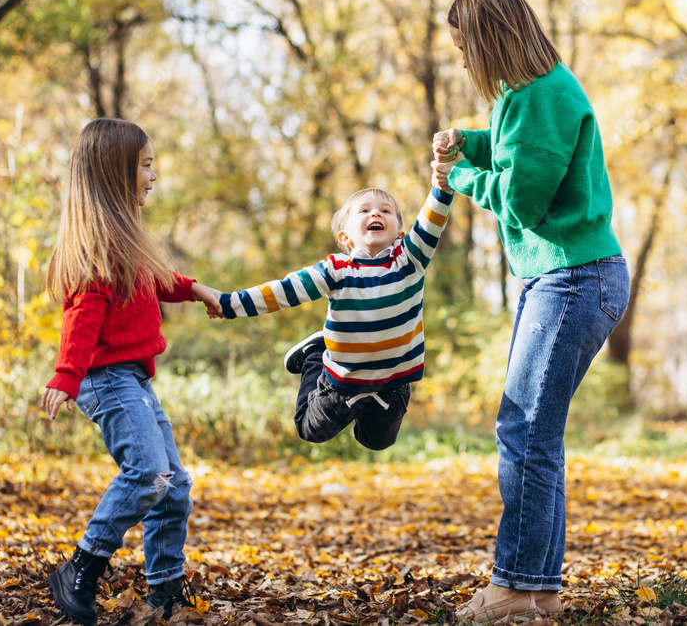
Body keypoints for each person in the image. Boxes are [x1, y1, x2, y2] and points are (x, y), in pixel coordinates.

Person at [430, 0, 630, 623]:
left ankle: (515, 583)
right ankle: (538, 587)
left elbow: (520, 199)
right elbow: (519, 156)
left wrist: (457, 176)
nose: (464, 62)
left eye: (465, 50)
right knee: (537, 434)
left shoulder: (540, 96)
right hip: (563, 278)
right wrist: (469, 139)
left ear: (489, 40)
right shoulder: (528, 96)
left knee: (521, 428)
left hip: (572, 278)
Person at [39, 118, 222, 626]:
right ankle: (82, 566)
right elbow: (81, 320)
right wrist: (65, 376)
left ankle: (164, 589)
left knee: (174, 484)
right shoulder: (95, 250)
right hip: (107, 379)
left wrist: (195, 289)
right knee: (147, 473)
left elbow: (155, 281)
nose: (154, 175)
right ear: (114, 174)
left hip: (132, 380)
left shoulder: (125, 241)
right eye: (145, 165)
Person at [215, 186, 453, 450]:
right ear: (346, 236)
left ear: (400, 232)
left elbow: (433, 218)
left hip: (392, 384)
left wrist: (442, 184)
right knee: (309, 429)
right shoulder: (337, 270)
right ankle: (316, 354)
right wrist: (230, 304)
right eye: (364, 210)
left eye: (385, 210)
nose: (376, 213)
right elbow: (284, 290)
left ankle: (362, 400)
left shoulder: (410, 261)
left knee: (374, 442)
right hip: (343, 380)